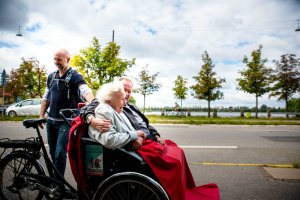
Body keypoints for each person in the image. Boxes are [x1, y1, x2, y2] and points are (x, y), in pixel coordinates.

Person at [88, 81, 220, 200]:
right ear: (110, 99)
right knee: (173, 161)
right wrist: (135, 135)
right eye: (122, 97)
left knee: (176, 152)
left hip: (133, 143)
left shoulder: (117, 107)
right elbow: (110, 139)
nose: (125, 100)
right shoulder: (104, 109)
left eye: (127, 94)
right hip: (124, 150)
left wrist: (148, 135)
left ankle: (181, 192)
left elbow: (138, 126)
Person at [39, 49, 95, 176]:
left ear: (68, 60)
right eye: (54, 59)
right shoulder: (51, 76)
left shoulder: (75, 76)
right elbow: (46, 97)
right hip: (51, 121)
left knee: (60, 153)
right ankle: (55, 182)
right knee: (53, 153)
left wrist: (93, 102)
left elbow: (85, 90)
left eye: (59, 59)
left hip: (65, 122)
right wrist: (41, 115)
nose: (56, 62)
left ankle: (58, 186)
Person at [81, 76, 165, 145]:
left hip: (149, 139)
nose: (126, 94)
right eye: (124, 90)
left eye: (129, 91)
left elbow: (145, 124)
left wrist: (156, 135)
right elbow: (87, 108)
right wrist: (91, 119)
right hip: (138, 143)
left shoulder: (132, 106)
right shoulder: (108, 102)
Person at [88, 82, 146, 149]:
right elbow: (110, 140)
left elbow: (132, 131)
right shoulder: (104, 110)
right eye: (122, 99)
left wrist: (139, 137)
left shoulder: (118, 110)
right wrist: (136, 134)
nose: (125, 102)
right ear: (109, 100)